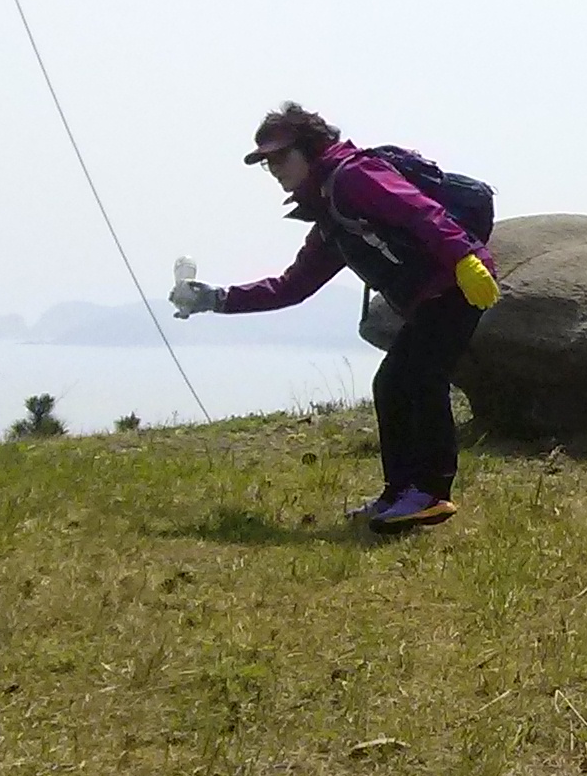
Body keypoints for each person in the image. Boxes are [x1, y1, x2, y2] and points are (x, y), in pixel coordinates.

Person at [174, 105, 500, 531]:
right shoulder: (331, 214)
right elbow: (292, 286)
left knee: (417, 379)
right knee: (392, 384)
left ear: (309, 149)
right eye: (267, 162)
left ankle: (430, 494)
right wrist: (216, 299)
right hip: (434, 294)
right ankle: (399, 494)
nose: (274, 169)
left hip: (459, 285)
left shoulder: (354, 177)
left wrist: (466, 259)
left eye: (280, 156)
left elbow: (421, 212)